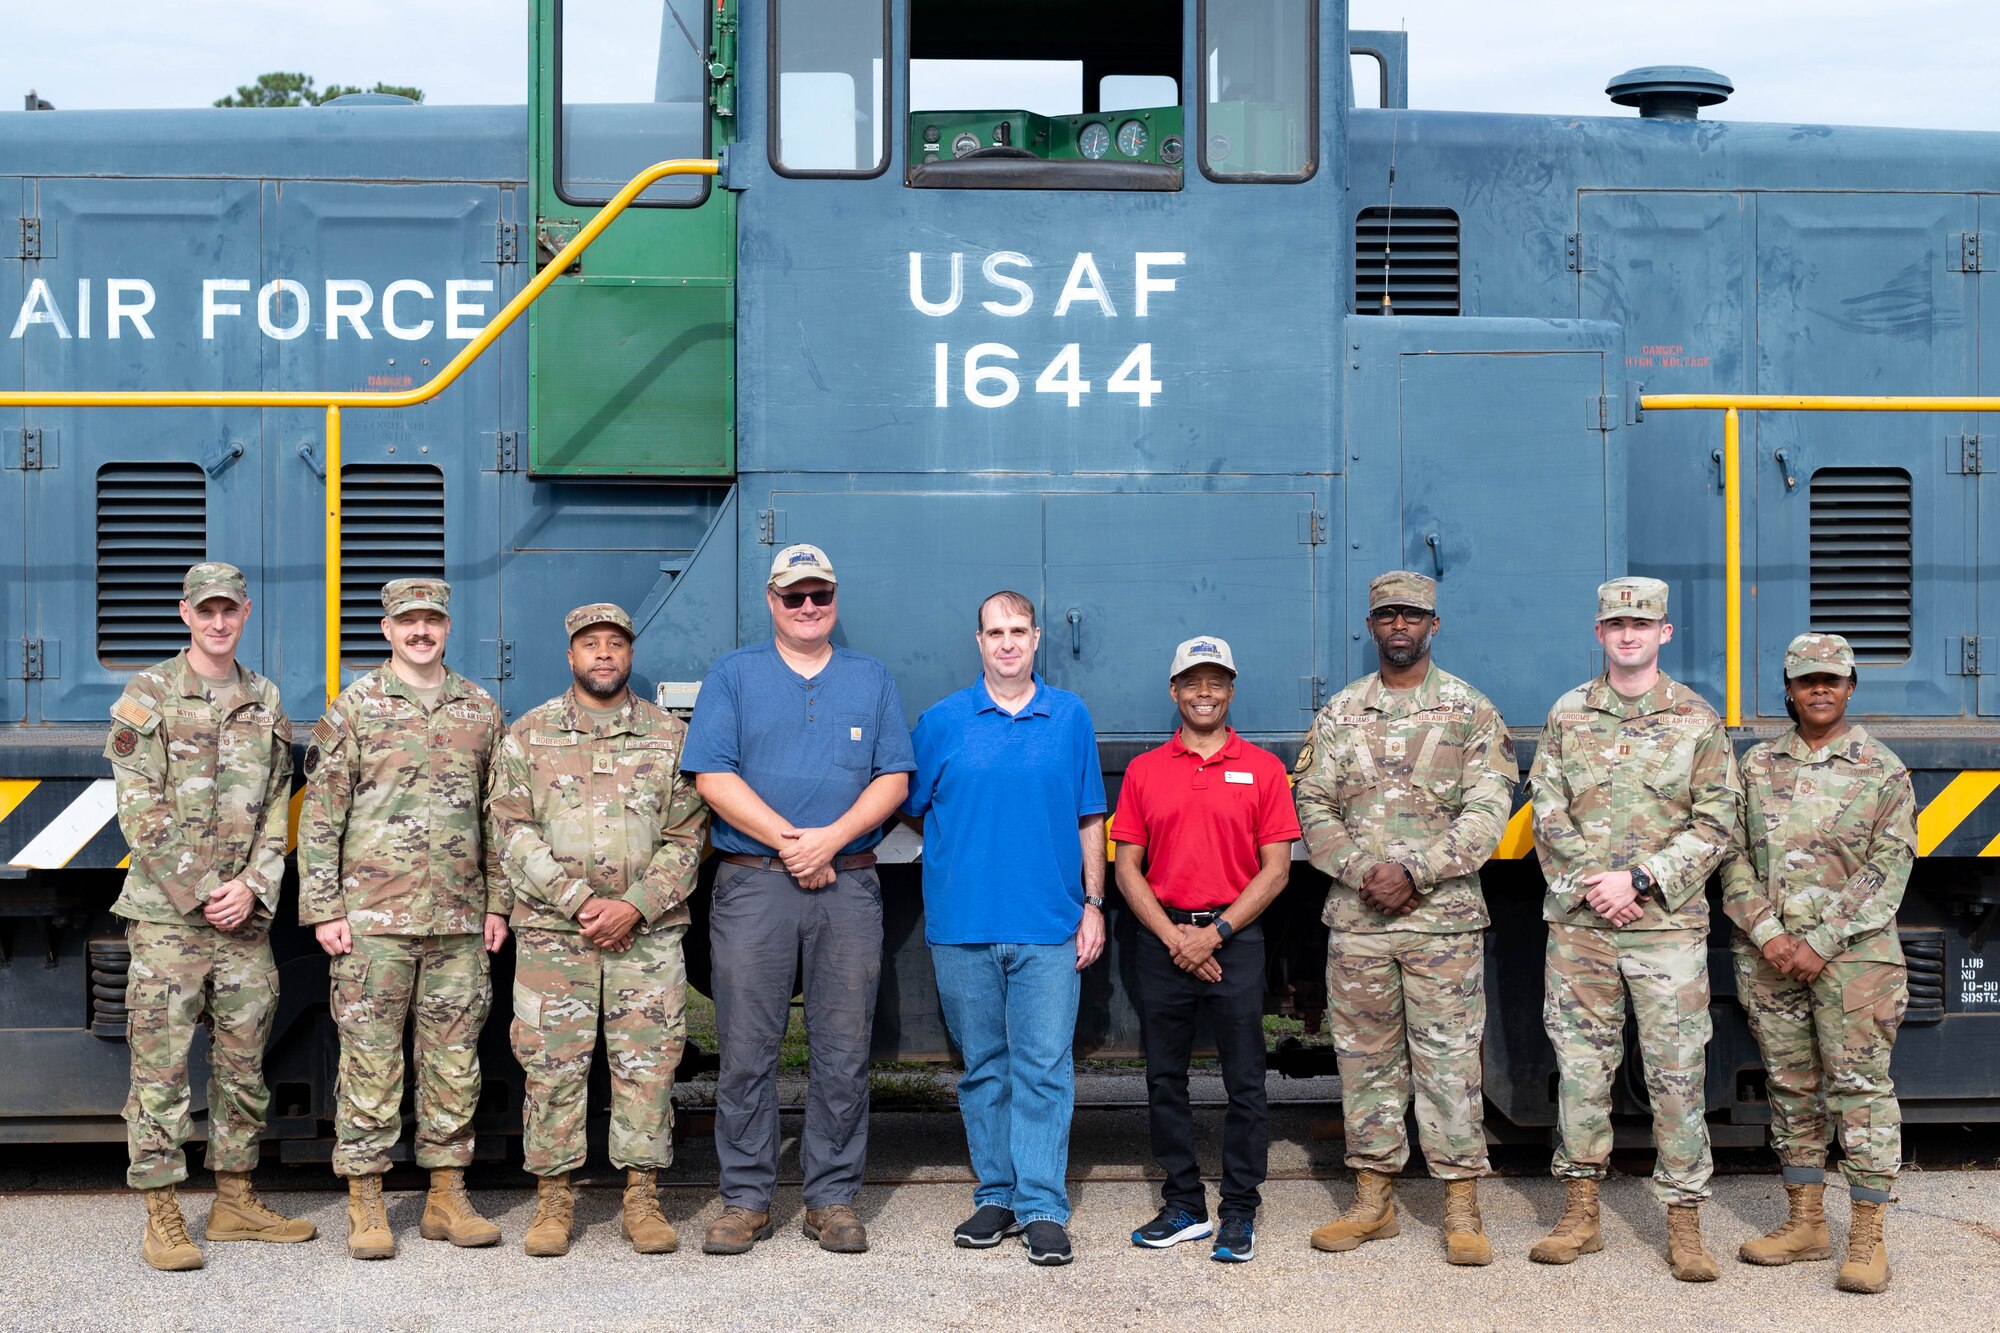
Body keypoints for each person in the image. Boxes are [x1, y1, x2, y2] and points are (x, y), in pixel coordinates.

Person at [681, 544, 915, 1256]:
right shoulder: (735, 675)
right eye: (794, 596)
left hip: (847, 884)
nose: (808, 607)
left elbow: (894, 778)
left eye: (820, 595)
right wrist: (792, 842)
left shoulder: (869, 678)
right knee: (749, 1049)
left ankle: (833, 1197)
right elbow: (711, 776)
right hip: (755, 883)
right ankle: (745, 1198)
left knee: (843, 1050)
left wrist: (830, 840)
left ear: (834, 600)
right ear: (772, 601)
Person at [1293, 571, 1516, 1266]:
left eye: (1411, 615)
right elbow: (1312, 802)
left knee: (1450, 1064)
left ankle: (1461, 1205)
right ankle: (1374, 1200)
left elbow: (1488, 811)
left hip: (1442, 920)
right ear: (1371, 625)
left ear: (1433, 625)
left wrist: (1414, 870)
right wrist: (1364, 872)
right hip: (1359, 921)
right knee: (1365, 1062)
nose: (1399, 625)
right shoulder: (1340, 714)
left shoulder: (1469, 711)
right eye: (1387, 614)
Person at [1527, 576, 1741, 1282]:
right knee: (1583, 1070)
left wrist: (1640, 880)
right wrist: (1598, 883)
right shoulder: (1568, 715)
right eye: (1616, 623)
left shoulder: (1697, 720)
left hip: (1665, 927)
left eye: (1641, 624)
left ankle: (1684, 1221)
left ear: (1664, 634)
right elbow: (1546, 810)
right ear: (1599, 633)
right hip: (1584, 925)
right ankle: (1581, 1214)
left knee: (1676, 1073)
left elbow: (1717, 822)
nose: (1628, 634)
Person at [104, 561, 314, 1271]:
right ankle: (162, 1211)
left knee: (242, 1067)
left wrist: (252, 887)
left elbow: (277, 813)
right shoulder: (150, 694)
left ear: (246, 613)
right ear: (185, 614)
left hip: (244, 922)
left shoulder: (265, 699)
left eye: (229, 609)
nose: (218, 621)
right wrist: (203, 890)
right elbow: (140, 808)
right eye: (206, 610)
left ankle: (233, 1198)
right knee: (161, 1069)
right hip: (170, 919)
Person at [488, 603, 708, 1258]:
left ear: (630, 654)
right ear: (570, 656)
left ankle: (642, 1196)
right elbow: (511, 831)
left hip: (647, 933)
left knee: (648, 1062)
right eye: (590, 644)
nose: (603, 653)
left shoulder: (671, 738)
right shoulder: (528, 735)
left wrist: (635, 904)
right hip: (558, 934)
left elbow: (688, 836)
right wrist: (580, 900)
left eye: (615, 643)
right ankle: (554, 1198)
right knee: (551, 1064)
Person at [298, 578, 508, 1260]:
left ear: (447, 626)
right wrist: (325, 907)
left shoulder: (480, 709)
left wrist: (498, 902)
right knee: (370, 1061)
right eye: (408, 620)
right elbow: (323, 816)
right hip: (372, 921)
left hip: (457, 921)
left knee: (454, 1060)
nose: (421, 630)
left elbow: (496, 818)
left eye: (432, 620)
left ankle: (447, 1195)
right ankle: (367, 1201)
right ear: (386, 629)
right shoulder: (355, 708)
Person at [904, 591, 1107, 1267]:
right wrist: (962, 856)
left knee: (1045, 1069)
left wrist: (1093, 902)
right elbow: (911, 806)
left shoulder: (1069, 717)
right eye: (996, 631)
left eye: (1019, 630)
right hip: (963, 927)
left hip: (1049, 926)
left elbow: (1088, 817)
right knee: (984, 1069)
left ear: (1038, 637)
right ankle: (996, 1194)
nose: (1008, 642)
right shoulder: (941, 722)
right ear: (979, 641)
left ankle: (1044, 1205)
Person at [1721, 632, 1915, 1295]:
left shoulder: (1883, 770)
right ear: (1790, 689)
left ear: (1851, 686)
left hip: (1854, 963)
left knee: (1860, 1095)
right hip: (1771, 957)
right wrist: (1770, 933)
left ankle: (1867, 1236)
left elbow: (1890, 869)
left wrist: (1821, 939)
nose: (1820, 688)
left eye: (1831, 678)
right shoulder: (1754, 767)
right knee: (1792, 1087)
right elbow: (1732, 857)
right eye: (1808, 680)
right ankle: (1806, 1221)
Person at [1113, 635, 1296, 1265]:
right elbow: (1127, 868)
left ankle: (1239, 1209)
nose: (1204, 693)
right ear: (1175, 691)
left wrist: (1213, 935)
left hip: (1234, 941)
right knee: (1165, 1078)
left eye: (1216, 681)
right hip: (1163, 941)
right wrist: (1175, 938)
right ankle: (1185, 1205)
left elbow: (1275, 872)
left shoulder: (1264, 768)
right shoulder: (1144, 771)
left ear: (1231, 689)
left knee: (1245, 1080)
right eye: (1192, 682)